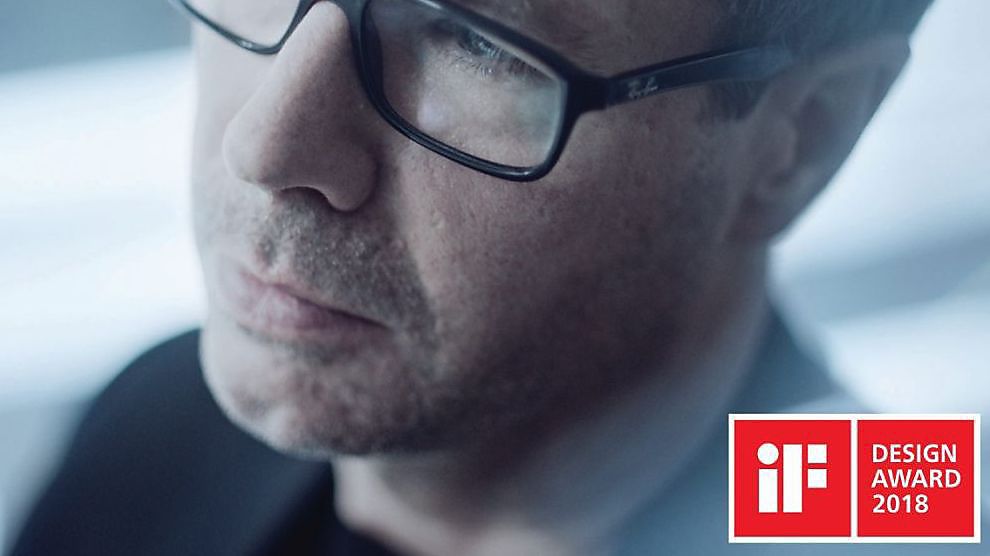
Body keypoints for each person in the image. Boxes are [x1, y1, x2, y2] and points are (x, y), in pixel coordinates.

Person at [13, 0, 978, 554]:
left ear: (800, 140)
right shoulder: (157, 424)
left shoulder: (898, 514)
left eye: (478, 42)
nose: (264, 147)